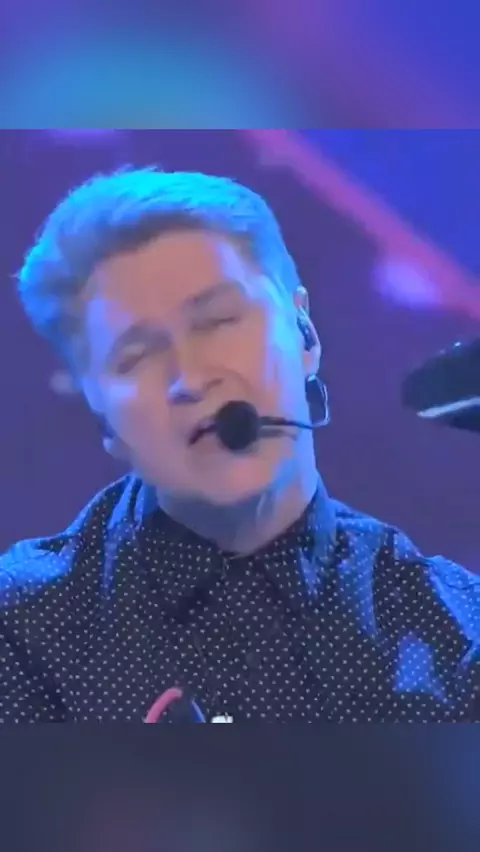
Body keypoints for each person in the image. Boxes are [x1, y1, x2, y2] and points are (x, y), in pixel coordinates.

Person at [2, 166, 479, 723]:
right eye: (136, 356)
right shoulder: (23, 631)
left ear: (304, 335)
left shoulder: (457, 634)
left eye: (218, 320)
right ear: (104, 422)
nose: (189, 378)